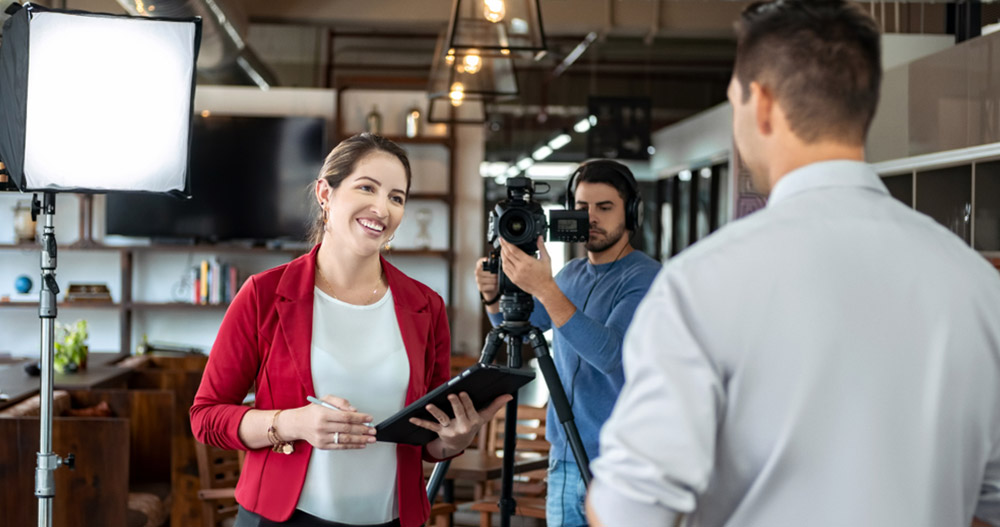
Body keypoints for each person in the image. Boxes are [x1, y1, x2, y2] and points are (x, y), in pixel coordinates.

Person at [587, 1, 1000, 526]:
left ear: (759, 104)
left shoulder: (703, 284)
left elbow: (628, 509)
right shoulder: (974, 284)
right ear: (864, 105)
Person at [190, 133, 510, 527]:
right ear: (326, 192)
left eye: (396, 197)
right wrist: (295, 423)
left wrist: (455, 440)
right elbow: (205, 417)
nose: (382, 207)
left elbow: (429, 437)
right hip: (282, 518)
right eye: (366, 188)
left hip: (391, 518)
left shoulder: (426, 306)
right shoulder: (264, 294)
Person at [475, 159, 661, 527]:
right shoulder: (571, 274)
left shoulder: (645, 276)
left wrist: (544, 287)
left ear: (631, 213)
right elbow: (519, 328)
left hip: (619, 463)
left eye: (604, 207)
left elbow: (610, 354)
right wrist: (494, 298)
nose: (590, 217)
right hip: (563, 457)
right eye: (581, 208)